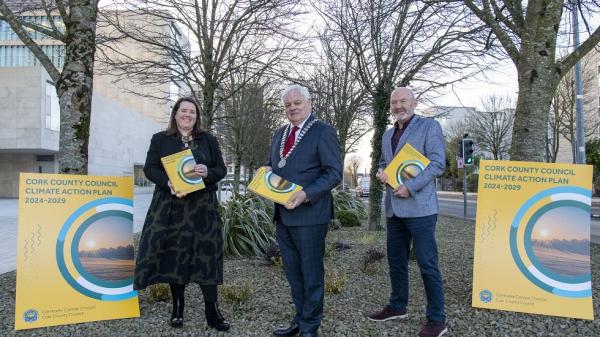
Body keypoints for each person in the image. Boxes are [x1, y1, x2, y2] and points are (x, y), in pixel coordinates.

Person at [134, 97, 230, 331]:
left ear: (197, 117)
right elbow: (150, 168)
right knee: (174, 256)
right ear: (175, 114)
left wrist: (207, 171)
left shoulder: (208, 140)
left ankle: (212, 310)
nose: (188, 115)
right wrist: (168, 182)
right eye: (183, 111)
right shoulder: (160, 139)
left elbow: (221, 169)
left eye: (193, 112)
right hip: (170, 206)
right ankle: (178, 308)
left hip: (202, 209)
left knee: (206, 256)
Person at [368, 87, 447, 337]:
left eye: (403, 101)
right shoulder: (387, 134)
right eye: (394, 102)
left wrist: (410, 187)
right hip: (394, 210)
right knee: (396, 262)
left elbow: (438, 163)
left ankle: (437, 319)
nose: (398, 106)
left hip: (420, 210)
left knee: (427, 265)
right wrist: (383, 174)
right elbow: (384, 164)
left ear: (414, 102)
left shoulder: (429, 126)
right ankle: (397, 306)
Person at [266, 84, 342, 337]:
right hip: (283, 215)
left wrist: (306, 194)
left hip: (310, 215)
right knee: (293, 273)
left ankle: (311, 327)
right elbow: (275, 164)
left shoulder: (323, 132)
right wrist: (265, 170)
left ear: (309, 103)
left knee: (311, 274)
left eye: (297, 103)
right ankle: (299, 320)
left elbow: (333, 173)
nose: (292, 108)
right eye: (288, 105)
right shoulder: (280, 133)